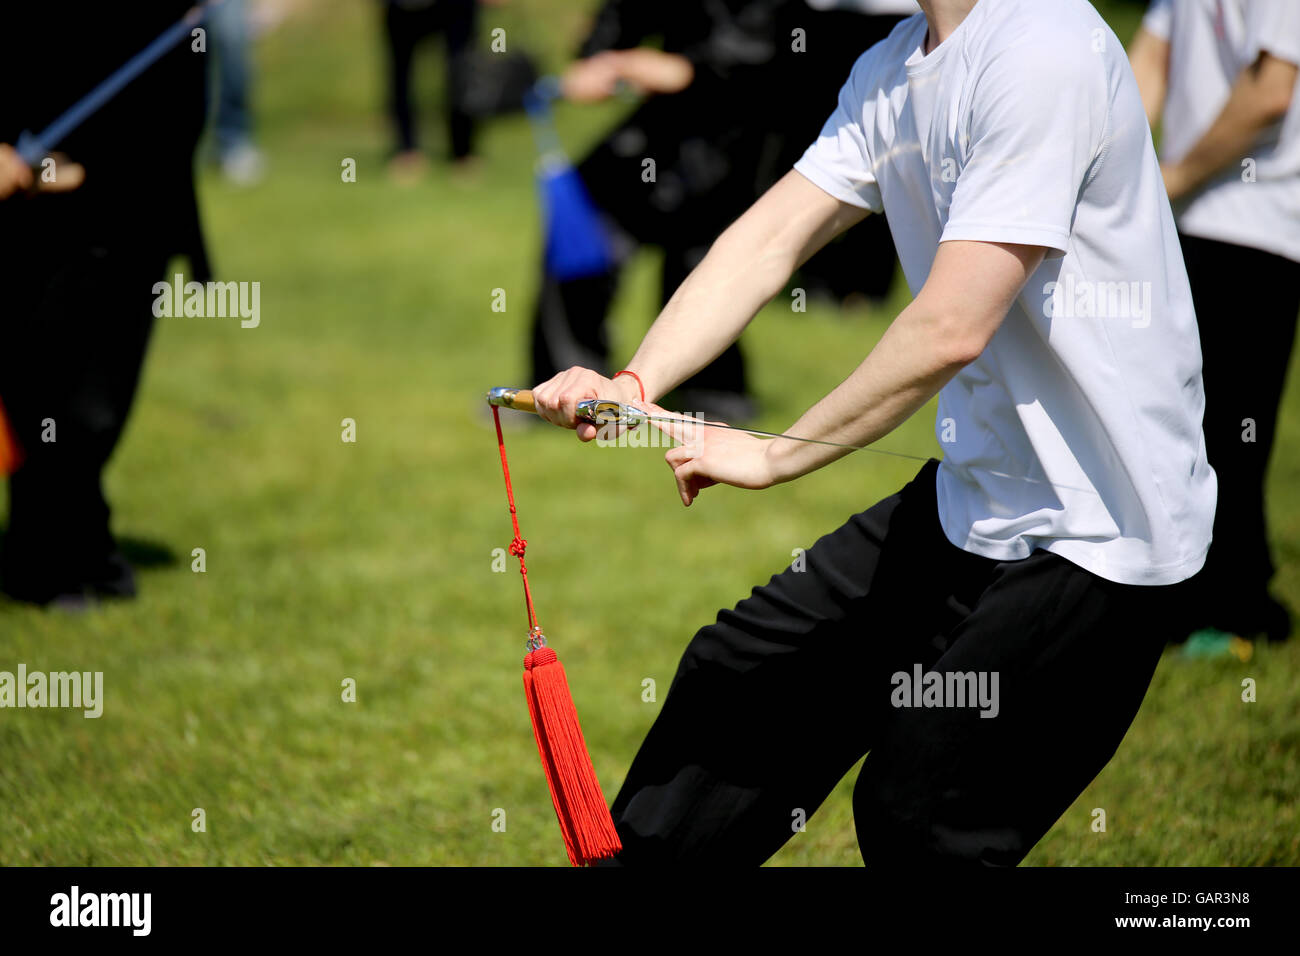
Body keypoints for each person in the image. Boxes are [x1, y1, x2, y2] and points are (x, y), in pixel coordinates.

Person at [531, 0, 1215, 865]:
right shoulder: (896, 66)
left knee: (920, 808)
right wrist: (633, 383)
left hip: (1098, 532)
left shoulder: (1045, 49)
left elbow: (949, 326)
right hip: (976, 497)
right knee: (740, 684)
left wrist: (776, 454)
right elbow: (769, 239)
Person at [531, 0, 912, 424]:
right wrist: (598, 59)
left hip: (741, 126)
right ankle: (562, 385)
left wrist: (682, 68)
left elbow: (770, 46)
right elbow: (623, 16)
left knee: (706, 256)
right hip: (665, 124)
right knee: (583, 216)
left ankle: (711, 393)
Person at [0, 2, 209, 609]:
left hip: (137, 189)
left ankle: (80, 538)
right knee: (46, 385)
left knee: (101, 397)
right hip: (39, 195)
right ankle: (48, 554)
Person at [1129, 0, 1299, 647]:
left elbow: (1271, 92)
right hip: (1190, 223)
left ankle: (1235, 611)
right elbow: (1148, 62)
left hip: (1259, 222)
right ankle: (1184, 598)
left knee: (1232, 432)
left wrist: (1168, 177)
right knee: (1179, 426)